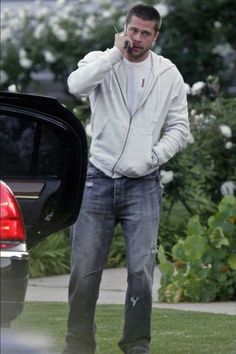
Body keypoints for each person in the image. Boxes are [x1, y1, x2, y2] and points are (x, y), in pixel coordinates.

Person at [63, 4, 189, 354]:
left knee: (141, 272)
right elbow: (75, 85)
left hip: (144, 186)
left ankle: (136, 346)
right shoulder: (101, 61)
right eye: (132, 31)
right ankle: (78, 345)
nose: (136, 39)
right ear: (124, 29)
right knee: (84, 270)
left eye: (144, 33)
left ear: (155, 36)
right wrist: (113, 56)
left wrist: (154, 156)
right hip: (97, 180)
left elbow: (180, 127)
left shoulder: (168, 73)